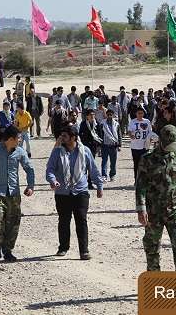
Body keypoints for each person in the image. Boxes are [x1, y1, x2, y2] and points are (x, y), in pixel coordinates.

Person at [136, 125, 176, 271]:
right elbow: (140, 187)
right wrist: (141, 209)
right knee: (152, 247)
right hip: (153, 211)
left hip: (175, 210)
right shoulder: (147, 159)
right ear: (160, 141)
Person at [45, 126, 103, 260]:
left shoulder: (85, 151)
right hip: (62, 193)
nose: (62, 138)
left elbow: (93, 169)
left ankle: (84, 250)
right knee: (64, 220)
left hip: (80, 191)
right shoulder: (57, 152)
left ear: (73, 137)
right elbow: (50, 169)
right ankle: (63, 247)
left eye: (65, 136)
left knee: (81, 220)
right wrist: (53, 181)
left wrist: (99, 186)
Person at [0, 125, 35, 262]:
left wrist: (30, 185)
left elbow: (29, 168)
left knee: (13, 222)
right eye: (19, 138)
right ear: (11, 139)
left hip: (14, 193)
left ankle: (7, 250)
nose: (20, 140)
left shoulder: (20, 152)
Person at [79, 109, 103, 189]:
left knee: (91, 165)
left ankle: (89, 182)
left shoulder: (97, 124)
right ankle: (84, 182)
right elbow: (80, 136)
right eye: (90, 115)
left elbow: (100, 135)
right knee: (84, 165)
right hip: (85, 147)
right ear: (87, 116)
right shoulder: (83, 124)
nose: (92, 116)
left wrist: (99, 146)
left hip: (93, 147)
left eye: (93, 114)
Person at [128, 107, 152, 182]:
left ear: (143, 114)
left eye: (141, 113)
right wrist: (130, 135)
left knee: (145, 164)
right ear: (136, 114)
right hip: (135, 146)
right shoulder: (132, 121)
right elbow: (129, 131)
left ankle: (144, 180)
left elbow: (150, 132)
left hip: (145, 146)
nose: (140, 115)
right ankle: (136, 180)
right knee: (136, 164)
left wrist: (150, 140)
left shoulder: (147, 121)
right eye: (139, 113)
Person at [101, 109, 122, 182]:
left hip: (114, 145)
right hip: (105, 145)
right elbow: (101, 134)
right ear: (106, 115)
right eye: (108, 114)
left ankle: (112, 175)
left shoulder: (116, 124)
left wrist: (119, 144)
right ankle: (104, 175)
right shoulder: (102, 124)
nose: (109, 116)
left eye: (111, 115)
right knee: (104, 161)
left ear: (113, 115)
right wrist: (101, 144)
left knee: (113, 162)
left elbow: (119, 135)